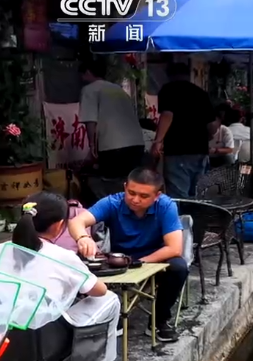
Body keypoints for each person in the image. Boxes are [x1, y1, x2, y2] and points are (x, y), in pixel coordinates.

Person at [68, 168, 187, 342]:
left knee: (178, 267)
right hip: (120, 258)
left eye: (144, 196)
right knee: (79, 262)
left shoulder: (166, 206)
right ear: (125, 187)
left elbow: (174, 248)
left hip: (156, 258)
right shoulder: (112, 203)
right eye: (131, 193)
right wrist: (83, 238)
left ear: (157, 196)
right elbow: (76, 221)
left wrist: (139, 261)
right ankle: (105, 316)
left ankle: (159, 321)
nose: (135, 199)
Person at [7, 192, 121, 361]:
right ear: (59, 225)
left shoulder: (2, 249)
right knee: (110, 299)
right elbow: (99, 291)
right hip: (46, 339)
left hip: (6, 331)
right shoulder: (63, 256)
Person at [153, 63, 218, 198]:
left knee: (179, 196)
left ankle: (182, 213)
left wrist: (158, 141)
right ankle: (195, 212)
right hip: (200, 151)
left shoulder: (169, 90)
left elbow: (167, 115)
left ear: (170, 75)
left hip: (178, 150)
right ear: (188, 75)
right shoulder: (201, 93)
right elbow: (212, 125)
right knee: (198, 194)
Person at [78, 59, 145, 179]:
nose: (82, 79)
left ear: (87, 72)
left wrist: (92, 146)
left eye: (82, 75)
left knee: (111, 183)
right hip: (137, 144)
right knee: (131, 182)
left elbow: (90, 121)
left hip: (113, 147)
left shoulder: (90, 89)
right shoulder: (117, 89)